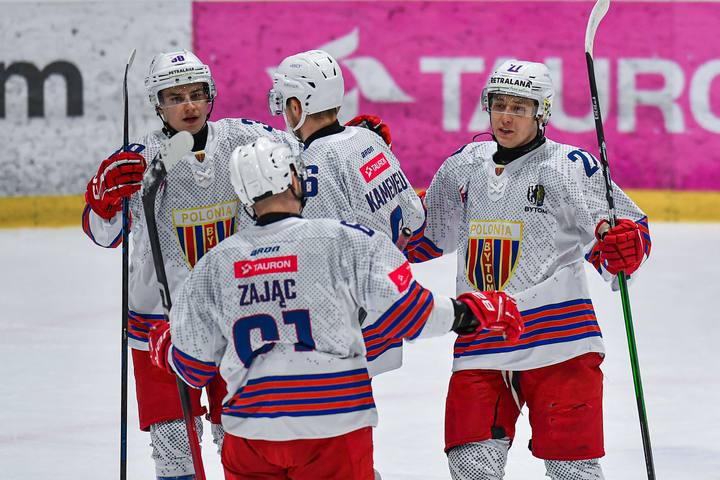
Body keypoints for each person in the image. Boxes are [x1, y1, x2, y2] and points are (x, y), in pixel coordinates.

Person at [146, 137, 524, 480]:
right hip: (333, 425)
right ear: (294, 179)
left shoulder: (214, 264)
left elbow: (193, 369)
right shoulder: (347, 240)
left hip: (250, 434)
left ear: (244, 196)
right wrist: (470, 312)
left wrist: (166, 347)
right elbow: (411, 316)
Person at [408, 60, 652, 479]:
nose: (505, 116)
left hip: (561, 342)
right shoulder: (464, 165)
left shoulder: (568, 166)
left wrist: (626, 246)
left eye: (519, 108)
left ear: (542, 113)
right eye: (499, 104)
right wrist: (381, 204)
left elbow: (624, 233)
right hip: (483, 335)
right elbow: (426, 235)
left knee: (572, 472)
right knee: (470, 468)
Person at [81, 50, 296, 479]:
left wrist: (343, 138)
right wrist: (103, 197)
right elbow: (106, 235)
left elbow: (303, 156)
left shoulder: (243, 140)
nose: (189, 106)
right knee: (174, 448)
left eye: (197, 94)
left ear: (211, 94)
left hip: (235, 316)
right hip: (159, 324)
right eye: (175, 97)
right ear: (157, 104)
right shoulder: (139, 159)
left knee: (241, 437)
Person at [268, 49, 426, 374]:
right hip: (386, 306)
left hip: (350, 324)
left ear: (296, 106)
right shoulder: (368, 138)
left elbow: (321, 257)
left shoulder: (312, 167)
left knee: (339, 404)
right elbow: (415, 216)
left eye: (285, 103)